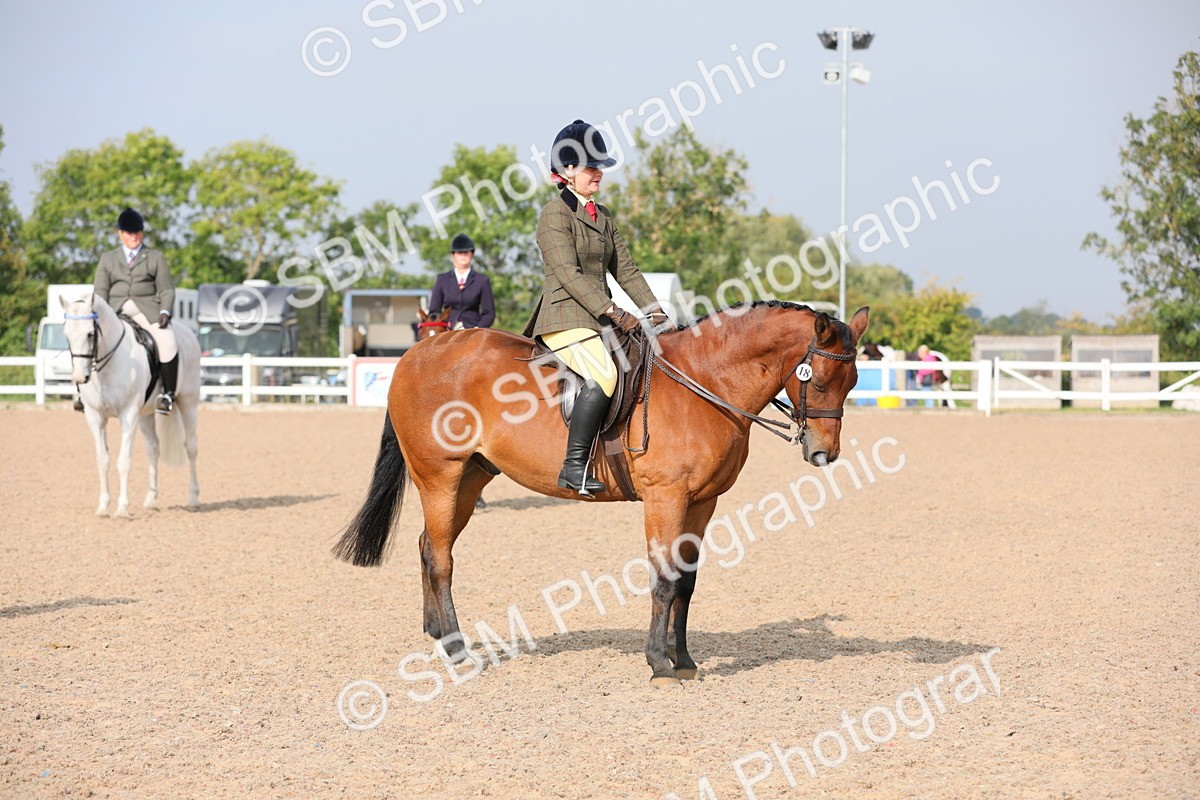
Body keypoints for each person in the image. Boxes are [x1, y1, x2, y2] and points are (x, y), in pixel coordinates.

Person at [522, 119, 668, 497]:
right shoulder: (554, 214)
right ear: (568, 170)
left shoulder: (602, 215)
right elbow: (568, 275)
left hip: (598, 319)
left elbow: (626, 269)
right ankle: (573, 466)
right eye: (591, 166)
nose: (599, 173)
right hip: (564, 317)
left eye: (600, 166)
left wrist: (654, 310)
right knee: (604, 374)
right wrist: (615, 311)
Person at [93, 208, 179, 414]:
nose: (134, 236)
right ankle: (83, 392)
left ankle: (168, 394)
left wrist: (165, 311)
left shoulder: (155, 257)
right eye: (129, 232)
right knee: (87, 340)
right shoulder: (108, 258)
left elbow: (166, 289)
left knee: (168, 341)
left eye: (137, 232)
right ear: (120, 234)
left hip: (146, 310)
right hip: (114, 311)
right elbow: (101, 290)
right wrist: (99, 314)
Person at [427, 234, 496, 330]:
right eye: (460, 252)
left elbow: (489, 313)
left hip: (473, 329)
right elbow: (434, 312)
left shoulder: (482, 280)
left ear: (472, 254)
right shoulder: (442, 279)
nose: (463, 255)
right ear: (453, 255)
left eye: (466, 252)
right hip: (448, 328)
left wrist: (477, 328)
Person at [915, 344, 939, 408]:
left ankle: (929, 408)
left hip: (927, 380)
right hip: (927, 379)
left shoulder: (928, 358)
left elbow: (928, 369)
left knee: (927, 394)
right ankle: (929, 407)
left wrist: (920, 372)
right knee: (927, 394)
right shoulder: (928, 358)